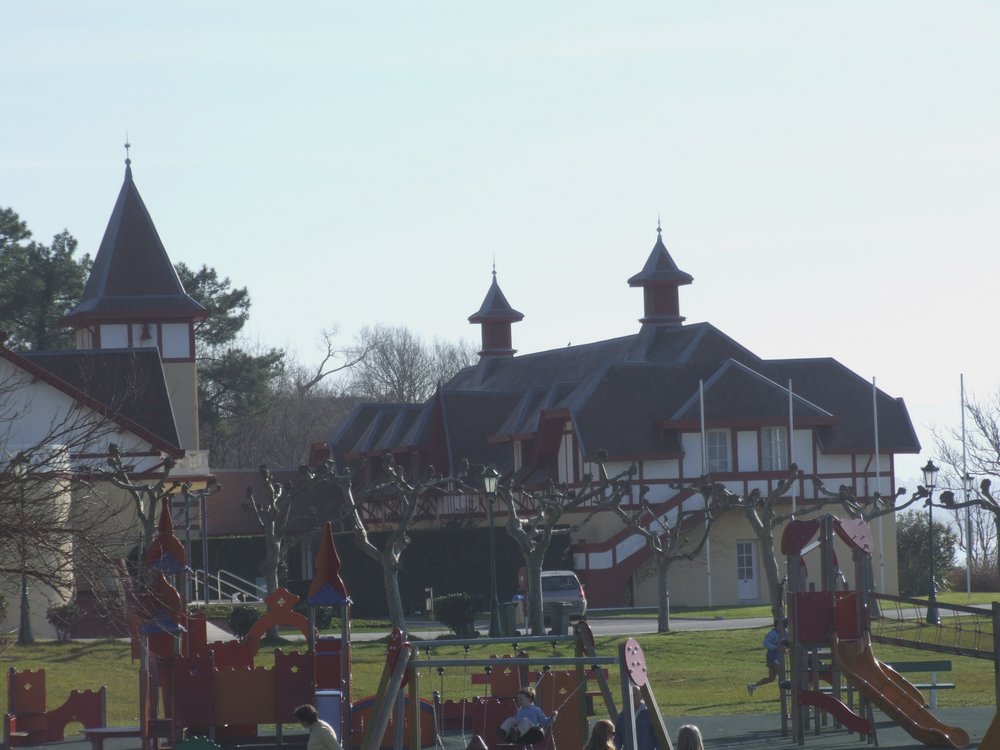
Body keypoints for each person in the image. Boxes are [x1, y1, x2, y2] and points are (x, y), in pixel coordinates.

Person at [747, 618, 788, 696]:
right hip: (772, 657)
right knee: (782, 675)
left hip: (779, 657)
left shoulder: (785, 632)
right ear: (777, 626)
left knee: (771, 678)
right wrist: (776, 648)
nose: (783, 627)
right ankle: (782, 695)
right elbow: (766, 643)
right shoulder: (772, 633)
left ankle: (752, 686)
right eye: (782, 625)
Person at [614, 685, 658, 750]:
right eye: (630, 695)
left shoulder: (649, 714)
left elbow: (658, 737)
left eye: (635, 695)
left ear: (641, 696)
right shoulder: (623, 716)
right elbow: (618, 737)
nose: (632, 698)